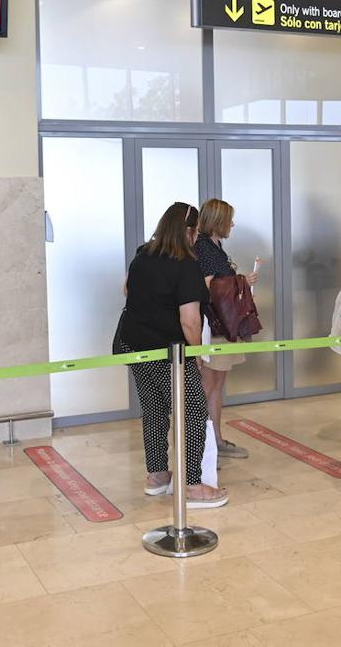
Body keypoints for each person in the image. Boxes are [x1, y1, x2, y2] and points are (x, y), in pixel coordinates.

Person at [113, 202, 227, 509]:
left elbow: (127, 289)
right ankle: (190, 484)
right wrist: (196, 353)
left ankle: (157, 476)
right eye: (196, 231)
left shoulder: (142, 253)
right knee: (192, 409)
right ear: (188, 231)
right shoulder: (185, 265)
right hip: (169, 351)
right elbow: (190, 320)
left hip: (134, 344)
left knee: (153, 409)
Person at [194, 198, 259, 460]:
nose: (232, 224)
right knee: (208, 385)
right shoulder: (204, 249)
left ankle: (215, 440)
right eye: (228, 219)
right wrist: (239, 282)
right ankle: (201, 447)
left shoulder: (215, 248)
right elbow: (207, 287)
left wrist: (240, 281)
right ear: (217, 221)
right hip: (214, 326)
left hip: (225, 326)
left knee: (218, 384)